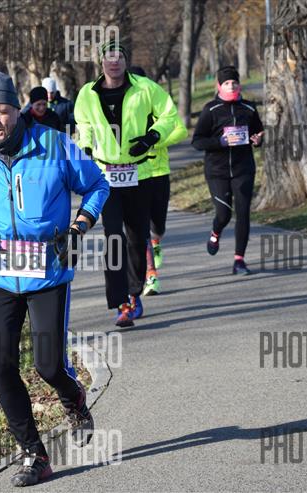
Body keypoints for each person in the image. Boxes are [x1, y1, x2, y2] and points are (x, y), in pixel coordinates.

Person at [0, 70, 109, 487]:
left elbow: (97, 186)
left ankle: (73, 397)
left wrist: (79, 228)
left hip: (48, 272)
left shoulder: (54, 145)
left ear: (15, 109)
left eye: (0, 111)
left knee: (48, 365)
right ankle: (35, 455)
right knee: (1, 368)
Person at [75, 42, 180, 326]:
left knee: (136, 238)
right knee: (113, 237)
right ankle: (121, 302)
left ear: (125, 60)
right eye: (109, 57)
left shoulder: (145, 88)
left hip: (139, 174)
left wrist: (151, 137)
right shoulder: (87, 93)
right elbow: (83, 124)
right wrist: (85, 147)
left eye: (119, 56)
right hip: (105, 176)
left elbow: (169, 114)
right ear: (101, 63)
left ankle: (135, 293)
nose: (114, 62)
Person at [191, 66, 263, 275]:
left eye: (234, 82)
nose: (231, 86)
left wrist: (258, 140)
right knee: (223, 214)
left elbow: (258, 131)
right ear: (219, 86)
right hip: (217, 171)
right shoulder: (211, 109)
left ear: (239, 85)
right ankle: (215, 233)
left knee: (243, 213)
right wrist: (219, 142)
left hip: (243, 168)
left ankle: (239, 260)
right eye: (226, 83)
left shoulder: (249, 108)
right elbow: (197, 141)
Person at [126, 66, 189, 296]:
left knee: (158, 225)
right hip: (135, 175)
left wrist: (154, 141)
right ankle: (151, 275)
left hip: (159, 172)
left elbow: (181, 130)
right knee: (139, 227)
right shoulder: (127, 113)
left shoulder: (158, 108)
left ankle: (156, 241)